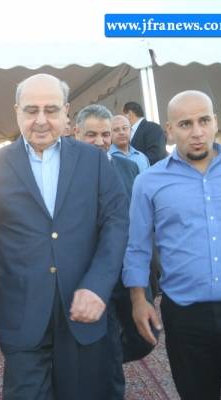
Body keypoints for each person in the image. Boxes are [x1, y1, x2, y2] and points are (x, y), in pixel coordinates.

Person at [0, 74, 129, 399]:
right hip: (23, 316)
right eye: (31, 110)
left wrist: (98, 285)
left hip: (83, 310)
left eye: (51, 110)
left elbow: (116, 224)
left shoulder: (94, 160)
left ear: (66, 112)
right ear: (17, 111)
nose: (41, 120)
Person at [123, 90, 221, 400]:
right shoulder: (148, 182)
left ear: (215, 121)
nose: (197, 132)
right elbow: (137, 247)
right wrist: (138, 300)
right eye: (185, 124)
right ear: (169, 129)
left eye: (204, 120)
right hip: (185, 317)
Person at [74, 104, 156, 399]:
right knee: (108, 352)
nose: (100, 141)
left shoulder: (129, 168)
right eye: (91, 135)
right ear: (76, 133)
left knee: (148, 335)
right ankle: (105, 369)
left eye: (105, 134)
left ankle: (98, 362)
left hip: (129, 270)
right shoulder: (68, 173)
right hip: (94, 274)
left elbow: (139, 218)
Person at [123, 101, 168, 165]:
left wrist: (131, 164)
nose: (122, 120)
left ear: (130, 114)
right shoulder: (129, 132)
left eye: (123, 116)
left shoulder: (153, 128)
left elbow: (156, 155)